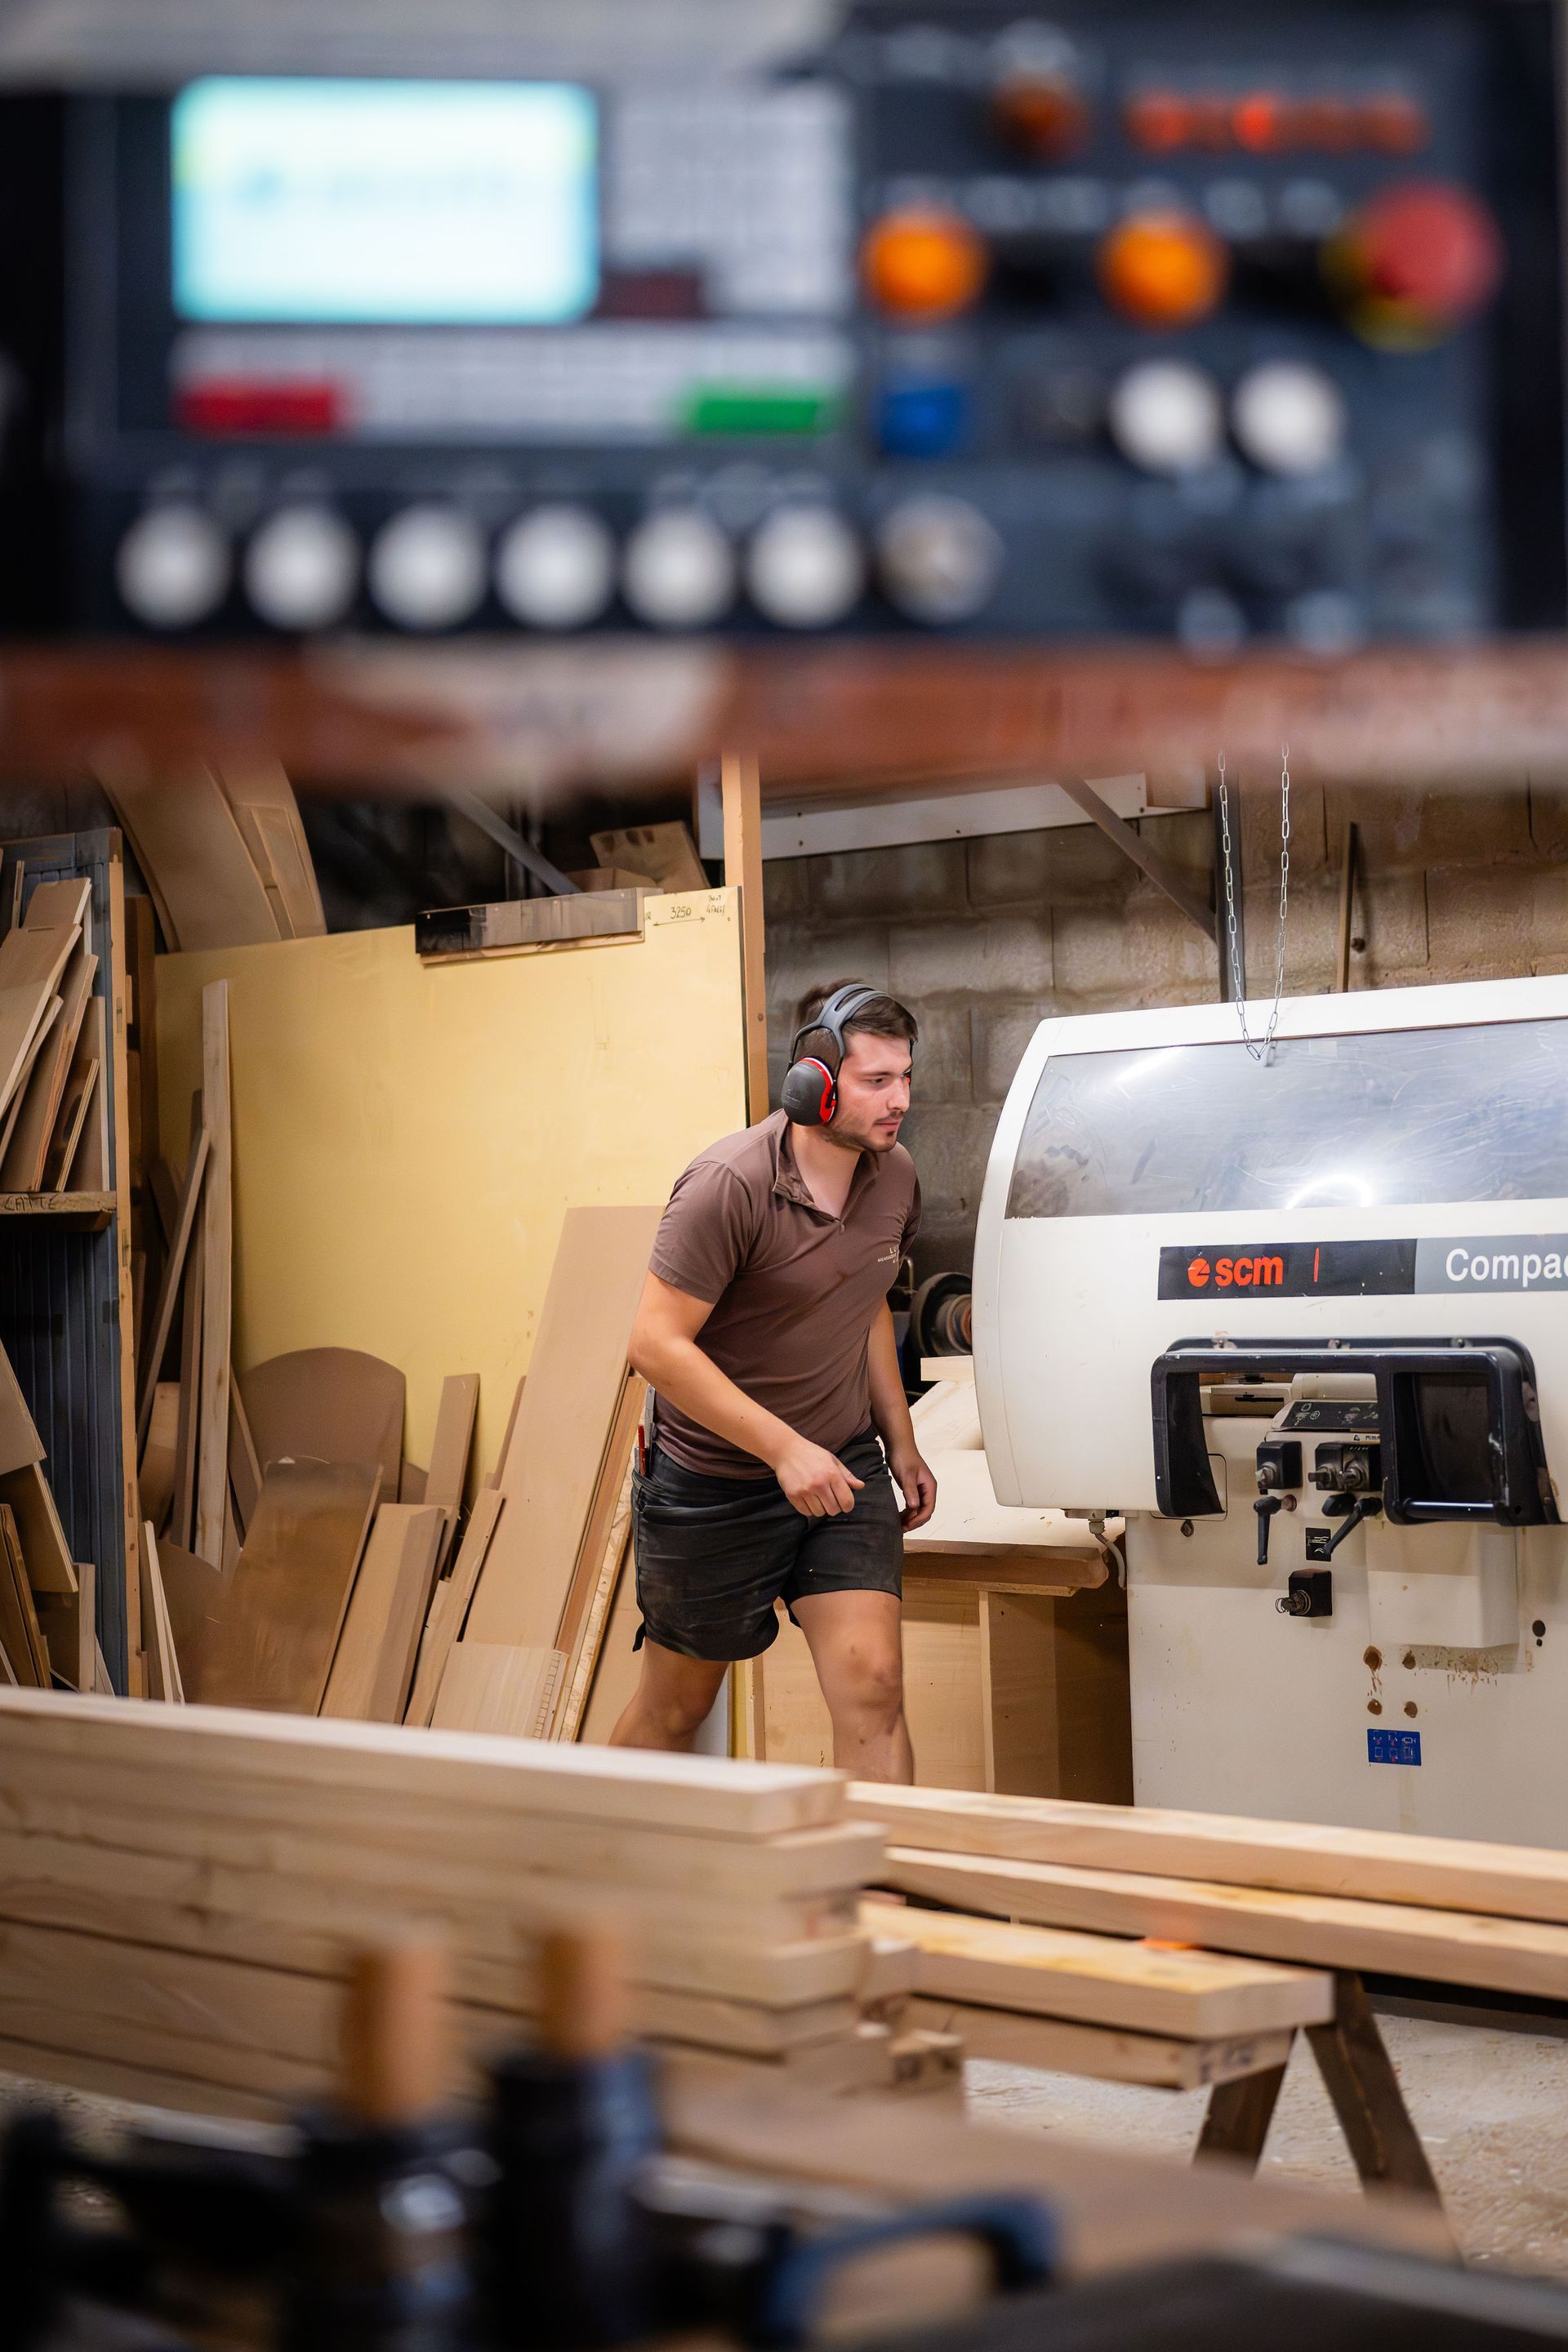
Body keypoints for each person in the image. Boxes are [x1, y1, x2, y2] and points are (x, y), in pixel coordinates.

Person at [610, 981, 936, 1782]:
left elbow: (862, 1299)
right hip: (715, 1484)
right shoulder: (729, 1184)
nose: (899, 1101)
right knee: (676, 1708)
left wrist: (900, 1440)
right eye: (876, 1081)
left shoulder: (894, 1179)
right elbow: (654, 1343)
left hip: (841, 1465)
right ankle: (588, 1881)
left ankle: (872, 1898)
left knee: (875, 1685)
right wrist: (785, 1451)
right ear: (816, 1080)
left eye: (905, 1078)